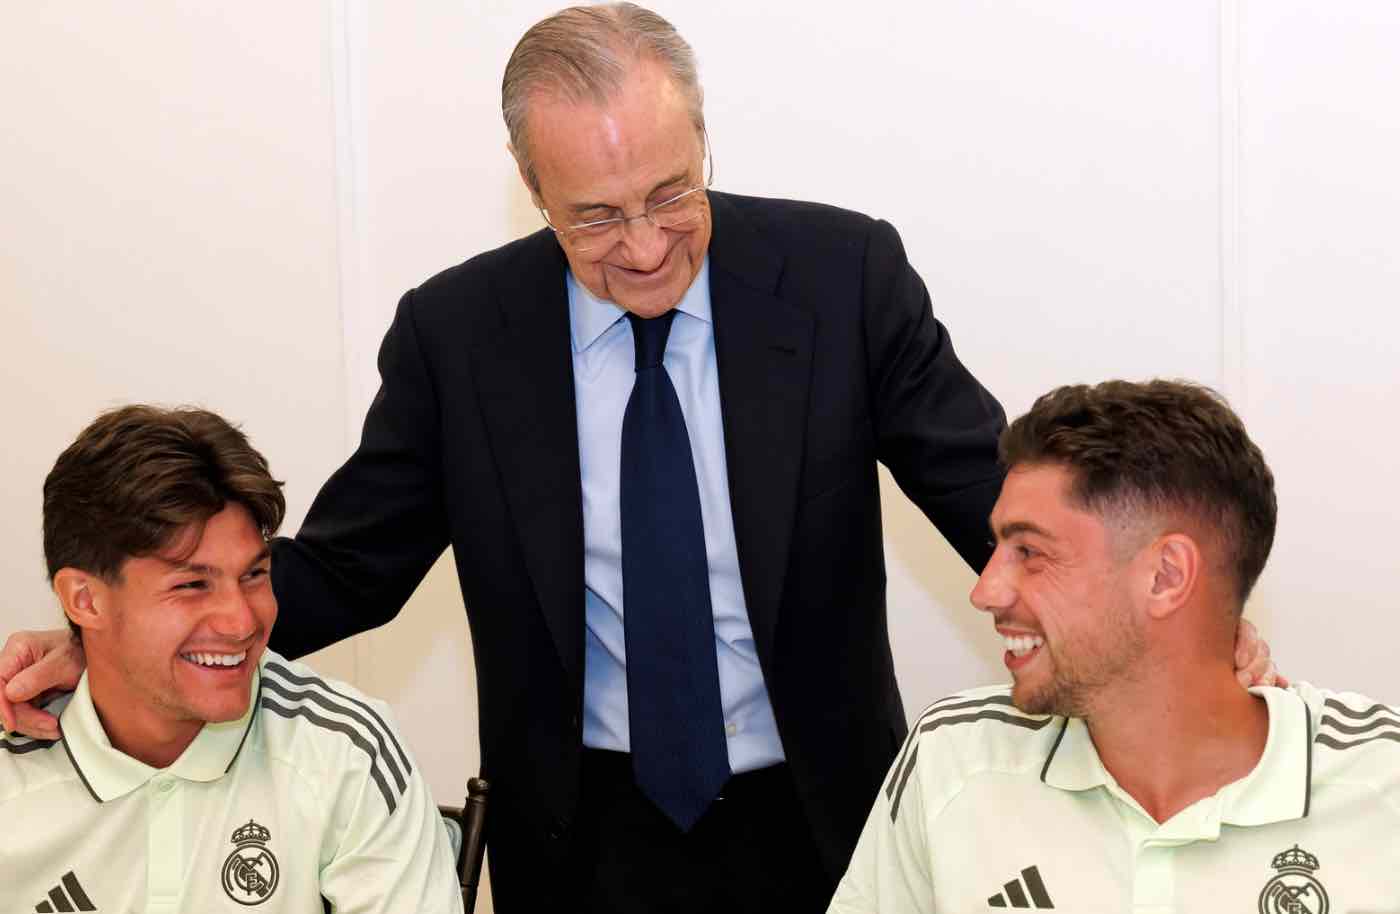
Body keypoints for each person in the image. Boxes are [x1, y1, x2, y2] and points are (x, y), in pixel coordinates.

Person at [0, 6, 1278, 911]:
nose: (649, 245)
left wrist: (1171, 625)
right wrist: (112, 642)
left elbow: (992, 504)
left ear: (703, 139)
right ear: (528, 187)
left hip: (826, 819)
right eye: (595, 217)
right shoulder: (460, 335)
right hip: (582, 833)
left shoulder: (840, 278)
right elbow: (347, 568)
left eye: (672, 192)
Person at [828, 379, 1399, 913]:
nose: (985, 590)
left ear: (1166, 576)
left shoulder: (1382, 785)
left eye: (1030, 552)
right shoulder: (952, 760)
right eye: (997, 548)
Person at [0, 406, 462, 914]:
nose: (241, 622)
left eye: (254, 575)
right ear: (85, 600)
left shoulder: (346, 755)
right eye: (192, 585)